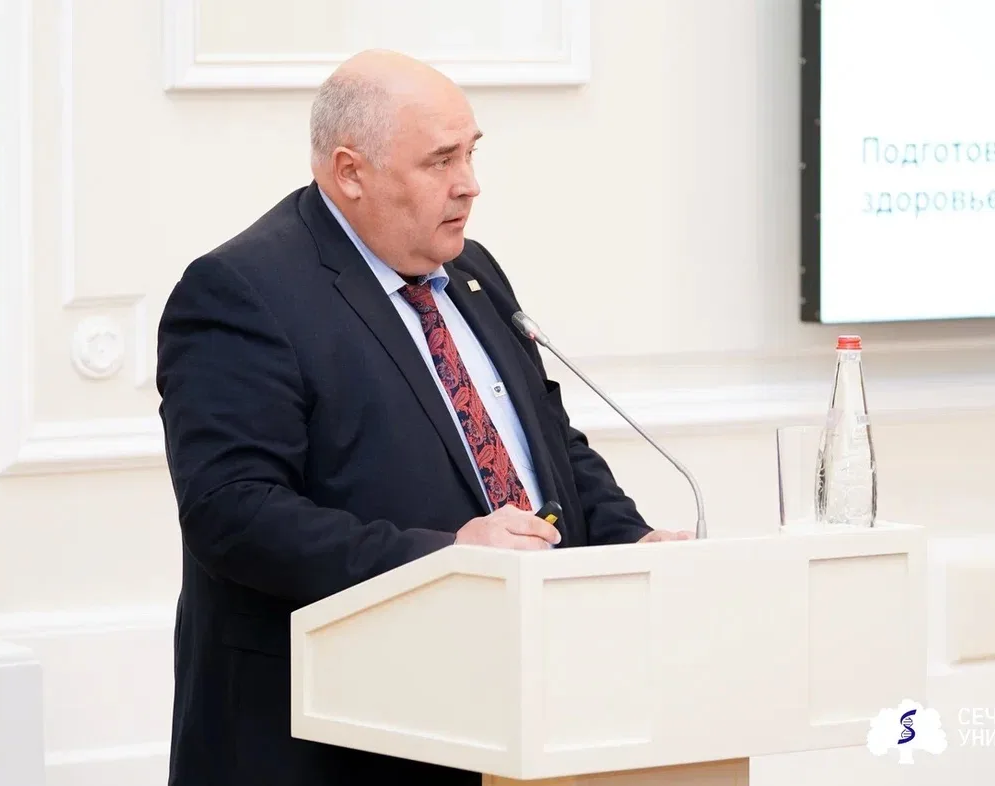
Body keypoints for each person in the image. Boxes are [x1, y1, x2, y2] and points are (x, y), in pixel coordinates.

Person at [155, 49, 695, 786]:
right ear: (351, 172)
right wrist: (446, 557)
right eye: (440, 161)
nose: (469, 184)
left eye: (471, 153)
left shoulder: (471, 273)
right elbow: (233, 515)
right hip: (327, 736)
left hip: (508, 710)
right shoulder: (243, 290)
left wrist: (631, 543)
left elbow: (549, 448)